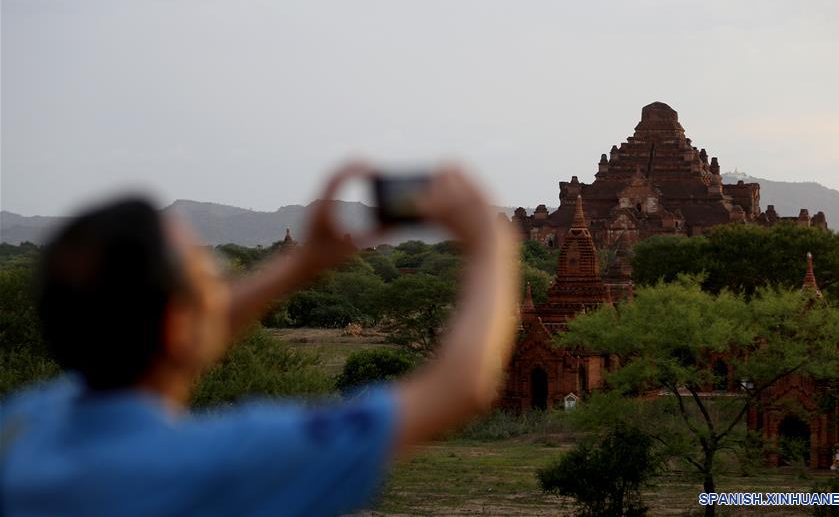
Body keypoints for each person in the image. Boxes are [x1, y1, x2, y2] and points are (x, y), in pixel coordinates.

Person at [0, 165, 519, 516]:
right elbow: (461, 385)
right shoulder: (219, 461)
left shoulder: (26, 424)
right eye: (212, 275)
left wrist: (301, 265)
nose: (220, 293)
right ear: (174, 327)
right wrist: (493, 244)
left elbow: (179, 335)